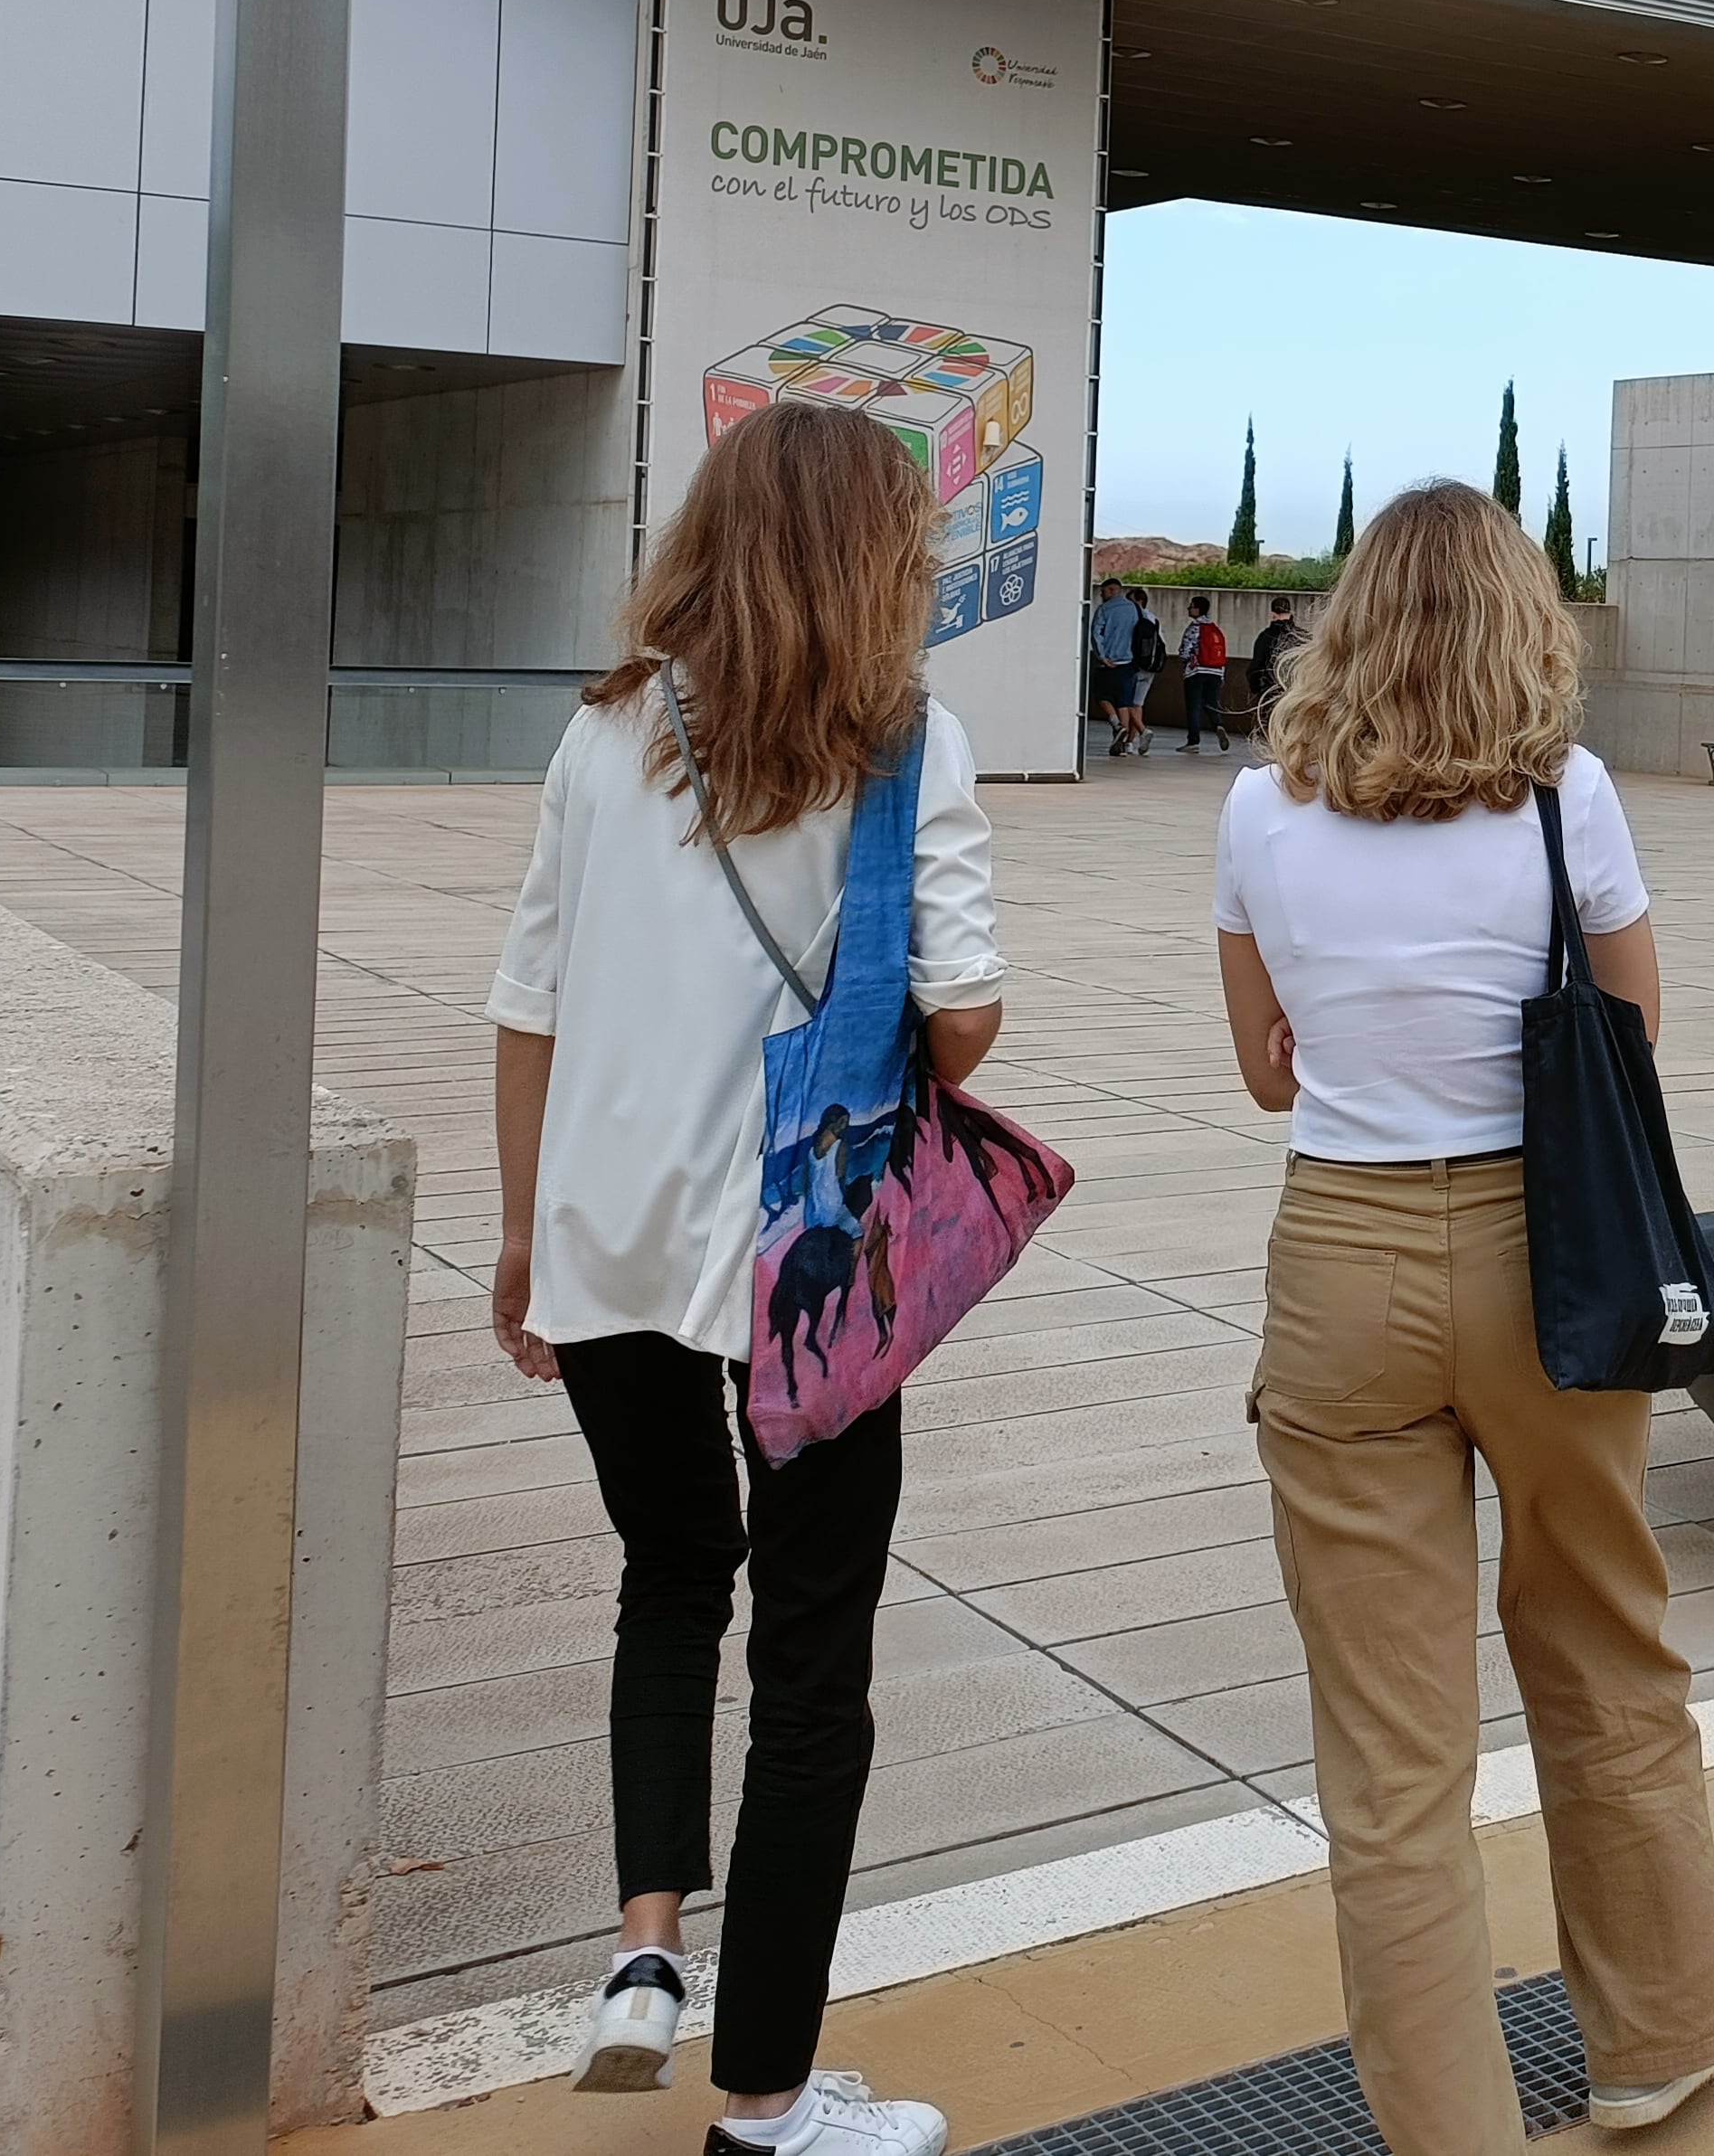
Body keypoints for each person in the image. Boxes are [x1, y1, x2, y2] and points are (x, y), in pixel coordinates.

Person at [483, 400, 1010, 2156]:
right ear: (872, 553)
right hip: (809, 1263)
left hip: (604, 1236)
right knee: (810, 1668)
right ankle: (770, 2102)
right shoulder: (903, 742)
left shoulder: (600, 731)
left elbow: (528, 1008)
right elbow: (962, 1018)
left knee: (665, 1580)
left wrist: (520, 1235)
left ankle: (646, 1953)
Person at [1212, 484, 1714, 2154]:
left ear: (1347, 618)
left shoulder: (1257, 812)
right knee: (1603, 1649)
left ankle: (1446, 2123)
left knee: (1387, 1748)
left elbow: (1262, 1063)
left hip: (1343, 1262)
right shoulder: (1565, 803)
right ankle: (1651, 2041)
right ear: (1524, 622)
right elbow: (1631, 1027)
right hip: (1549, 1257)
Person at [1089, 574, 1143, 758]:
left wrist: (1102, 657)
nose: (1102, 596)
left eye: (1103, 592)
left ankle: (1116, 725)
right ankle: (1123, 743)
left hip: (1109, 661)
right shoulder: (1134, 609)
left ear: (1112, 590)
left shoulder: (1104, 609)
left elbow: (1096, 634)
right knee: (1124, 702)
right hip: (1129, 662)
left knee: (1102, 697)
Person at [1244, 592, 1306, 740]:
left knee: (1271, 734)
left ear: (1273, 614)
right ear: (1290, 613)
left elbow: (1255, 668)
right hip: (1296, 693)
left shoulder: (1265, 637)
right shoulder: (1302, 637)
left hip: (1270, 693)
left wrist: (1258, 689)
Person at [1178, 593, 1230, 752]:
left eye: (1191, 606)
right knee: (1211, 703)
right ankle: (1218, 725)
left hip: (1196, 672)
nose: (1189, 608)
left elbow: (1185, 652)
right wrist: (1221, 675)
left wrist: (1184, 659)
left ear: (1198, 609)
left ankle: (1193, 741)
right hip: (1215, 671)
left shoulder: (1194, 628)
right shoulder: (1215, 629)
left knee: (1194, 706)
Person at [1124, 587, 1166, 755]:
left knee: (1124, 702)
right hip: (1150, 666)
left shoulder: (1133, 618)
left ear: (1138, 601)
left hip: (1134, 665)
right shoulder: (1154, 619)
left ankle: (1140, 732)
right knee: (1138, 704)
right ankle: (1132, 741)